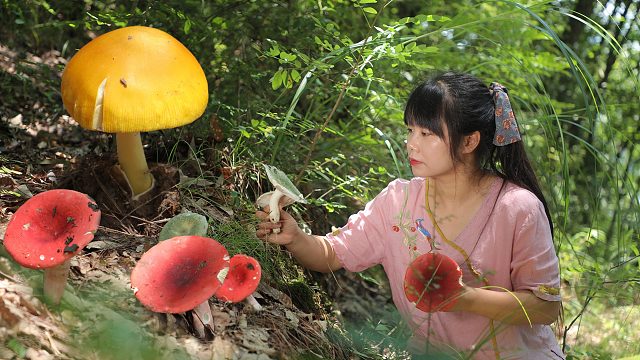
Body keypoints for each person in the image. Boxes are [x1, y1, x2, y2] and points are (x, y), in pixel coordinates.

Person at [256, 72, 564, 359]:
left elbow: (544, 308)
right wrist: (295, 238)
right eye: (410, 130)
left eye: (427, 133)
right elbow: (332, 254)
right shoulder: (399, 201)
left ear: (469, 141)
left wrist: (465, 298)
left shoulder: (517, 207)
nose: (411, 143)